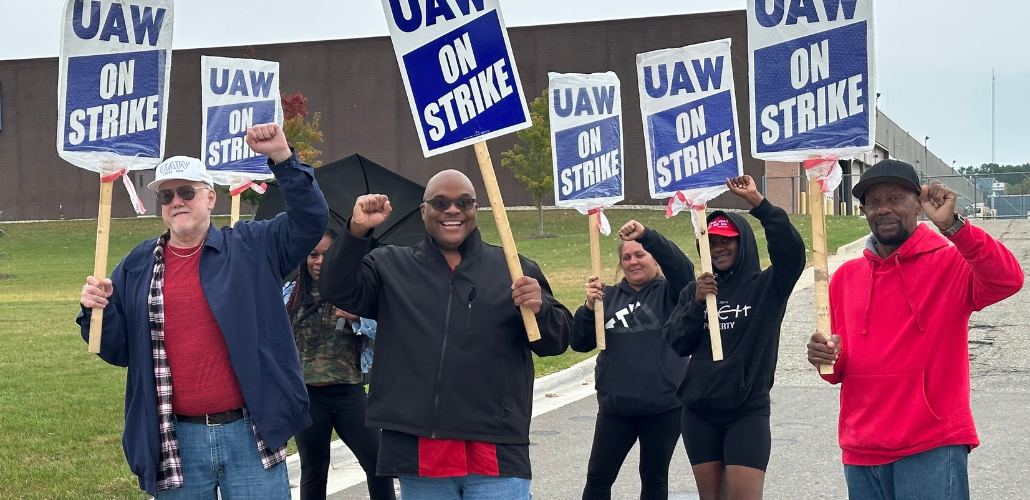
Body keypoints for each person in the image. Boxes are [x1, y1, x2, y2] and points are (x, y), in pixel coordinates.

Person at [76, 123, 328, 498]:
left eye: (186, 191)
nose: (176, 201)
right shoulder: (137, 265)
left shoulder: (252, 246)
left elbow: (310, 220)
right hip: (175, 439)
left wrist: (282, 157)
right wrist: (97, 311)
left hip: (250, 433)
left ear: (211, 198)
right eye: (166, 195)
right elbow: (118, 351)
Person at [318, 169, 573, 500]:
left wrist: (541, 310)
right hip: (423, 453)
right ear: (424, 210)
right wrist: (356, 232)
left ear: (475, 209)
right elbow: (337, 288)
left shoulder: (514, 269)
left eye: (463, 202)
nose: (453, 210)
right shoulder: (390, 266)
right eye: (441, 203)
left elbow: (557, 341)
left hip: (496, 450)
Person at [807, 160, 1024, 500]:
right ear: (863, 210)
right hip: (861, 449)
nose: (884, 209)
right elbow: (838, 369)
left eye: (895, 198)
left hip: (932, 444)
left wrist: (954, 226)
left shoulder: (951, 263)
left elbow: (1008, 280)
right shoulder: (845, 278)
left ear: (917, 203)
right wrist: (825, 357)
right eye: (874, 202)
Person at [663, 175, 806, 500]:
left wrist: (759, 203)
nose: (719, 248)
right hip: (698, 414)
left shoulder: (767, 287)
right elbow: (677, 341)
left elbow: (792, 254)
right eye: (711, 242)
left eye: (727, 240)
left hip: (746, 411)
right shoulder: (693, 291)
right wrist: (697, 304)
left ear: (743, 242)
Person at [571, 220, 695, 500]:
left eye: (640, 254)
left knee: (653, 479)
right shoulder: (608, 297)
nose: (633, 261)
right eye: (626, 257)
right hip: (616, 408)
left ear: (654, 258)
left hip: (663, 407)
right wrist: (590, 308)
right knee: (598, 479)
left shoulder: (673, 294)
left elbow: (684, 269)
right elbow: (579, 342)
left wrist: (648, 237)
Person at [283, 230, 396, 500]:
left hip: (350, 393)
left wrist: (360, 317)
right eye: (313, 254)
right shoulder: (289, 295)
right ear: (304, 257)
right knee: (314, 471)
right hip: (309, 398)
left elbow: (390, 334)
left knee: (378, 464)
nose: (320, 261)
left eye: (328, 254)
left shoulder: (356, 292)